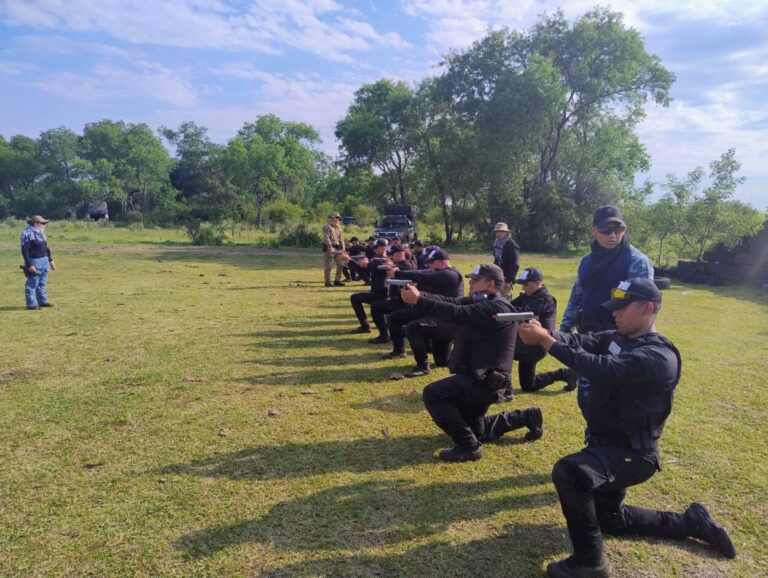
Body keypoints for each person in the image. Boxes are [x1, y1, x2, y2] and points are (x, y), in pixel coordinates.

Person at [518, 278, 736, 578]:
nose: (615, 313)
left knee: (570, 473)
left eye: (622, 307)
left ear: (648, 308)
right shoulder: (619, 337)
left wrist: (546, 341)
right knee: (611, 522)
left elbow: (603, 368)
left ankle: (590, 563)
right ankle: (691, 523)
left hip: (632, 454)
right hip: (606, 445)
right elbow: (583, 342)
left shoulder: (659, 357)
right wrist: (545, 332)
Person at [400, 264, 543, 462]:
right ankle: (528, 417)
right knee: (479, 430)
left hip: (485, 381)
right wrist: (420, 295)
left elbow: (456, 313)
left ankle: (469, 447)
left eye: (476, 280)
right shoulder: (482, 300)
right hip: (480, 377)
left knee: (433, 393)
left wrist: (419, 300)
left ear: (490, 283)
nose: (470, 282)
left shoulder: (496, 307)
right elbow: (453, 302)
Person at [536, 205, 653, 391]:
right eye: (606, 230)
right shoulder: (587, 261)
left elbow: (644, 308)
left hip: (618, 336)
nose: (612, 235)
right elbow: (577, 296)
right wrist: (564, 331)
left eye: (618, 229)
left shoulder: (636, 261)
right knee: (587, 388)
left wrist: (631, 340)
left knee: (612, 391)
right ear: (594, 231)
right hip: (589, 334)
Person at [382, 247, 464, 367]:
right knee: (395, 317)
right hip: (430, 312)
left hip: (445, 320)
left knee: (441, 361)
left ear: (442, 262)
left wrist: (397, 273)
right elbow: (421, 273)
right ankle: (399, 351)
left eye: (430, 263)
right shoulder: (436, 271)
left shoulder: (451, 275)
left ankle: (423, 365)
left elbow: (423, 276)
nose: (428, 266)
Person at [495, 267, 557, 401]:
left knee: (502, 350)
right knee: (529, 385)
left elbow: (521, 313)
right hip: (526, 342)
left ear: (538, 283)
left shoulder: (545, 299)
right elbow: (509, 306)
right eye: (522, 284)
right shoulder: (528, 296)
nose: (523, 288)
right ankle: (564, 374)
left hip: (536, 345)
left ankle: (506, 391)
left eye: (526, 284)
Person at [367, 245, 417, 344]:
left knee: (378, 308)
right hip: (397, 299)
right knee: (376, 306)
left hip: (406, 302)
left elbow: (406, 268)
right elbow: (373, 267)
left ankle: (386, 336)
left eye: (391, 255)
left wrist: (392, 265)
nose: (389, 257)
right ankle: (386, 334)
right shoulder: (397, 264)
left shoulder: (408, 264)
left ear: (399, 254)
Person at [348, 239, 390, 334]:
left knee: (355, 298)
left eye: (376, 248)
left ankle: (366, 326)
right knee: (355, 298)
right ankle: (365, 326)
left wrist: (350, 260)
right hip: (377, 292)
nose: (374, 250)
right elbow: (365, 271)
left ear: (383, 248)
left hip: (382, 293)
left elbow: (367, 268)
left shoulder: (383, 260)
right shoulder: (377, 258)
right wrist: (351, 261)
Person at [20, 215, 57, 310]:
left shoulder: (42, 233)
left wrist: (50, 260)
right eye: (43, 223)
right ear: (36, 224)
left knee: (42, 283)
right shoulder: (27, 234)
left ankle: (42, 302)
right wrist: (29, 264)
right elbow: (25, 251)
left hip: (44, 260)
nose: (45, 225)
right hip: (34, 261)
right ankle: (31, 304)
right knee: (32, 283)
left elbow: (46, 248)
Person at [492, 222, 520, 293]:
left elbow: (515, 264)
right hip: (498, 276)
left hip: (506, 278)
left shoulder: (511, 244)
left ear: (506, 233)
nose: (498, 234)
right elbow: (496, 260)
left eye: (501, 231)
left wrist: (508, 280)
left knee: (504, 300)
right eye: (497, 232)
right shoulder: (497, 243)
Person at [322, 211, 345, 287]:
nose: (337, 219)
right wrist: (330, 248)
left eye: (339, 218)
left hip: (337, 248)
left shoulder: (338, 227)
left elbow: (341, 239)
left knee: (341, 264)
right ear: (332, 218)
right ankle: (327, 282)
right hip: (329, 248)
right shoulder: (327, 226)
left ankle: (337, 281)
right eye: (336, 217)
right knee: (328, 265)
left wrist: (343, 248)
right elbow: (326, 238)